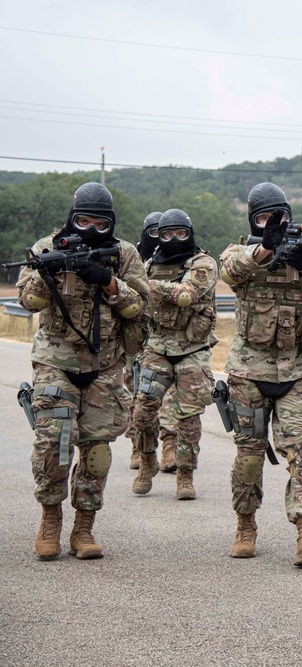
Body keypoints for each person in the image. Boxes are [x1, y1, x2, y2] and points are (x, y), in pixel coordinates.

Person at [16, 182, 148, 560]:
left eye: (100, 223)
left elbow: (140, 308)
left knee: (97, 452)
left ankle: (84, 528)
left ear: (112, 224)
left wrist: (107, 281)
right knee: (53, 442)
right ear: (72, 218)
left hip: (105, 364)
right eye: (83, 221)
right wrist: (50, 272)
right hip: (56, 362)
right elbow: (27, 300)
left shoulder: (124, 254)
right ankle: (51, 519)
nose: (91, 230)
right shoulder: (46, 247)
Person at [219, 182, 302, 567]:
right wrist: (266, 248)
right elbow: (229, 272)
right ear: (253, 220)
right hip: (249, 372)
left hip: (298, 370)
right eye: (264, 217)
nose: (274, 222)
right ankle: (245, 526)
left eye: (280, 216)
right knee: (250, 455)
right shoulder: (241, 252)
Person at [129, 209, 217, 501]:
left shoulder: (202, 263)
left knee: (189, 418)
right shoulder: (152, 263)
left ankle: (185, 474)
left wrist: (146, 285)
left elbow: (186, 295)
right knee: (143, 410)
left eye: (181, 233)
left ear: (189, 233)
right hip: (158, 346)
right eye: (167, 234)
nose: (174, 239)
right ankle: (147, 461)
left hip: (193, 349)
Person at [128, 211, 163, 470]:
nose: (159, 238)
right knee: (135, 393)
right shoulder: (131, 255)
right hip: (136, 332)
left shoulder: (179, 255)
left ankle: (170, 444)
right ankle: (136, 446)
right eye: (154, 232)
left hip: (165, 334)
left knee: (169, 396)